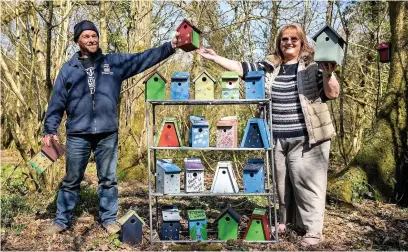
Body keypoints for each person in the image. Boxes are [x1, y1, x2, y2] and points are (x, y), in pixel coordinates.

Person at [197, 24, 339, 246]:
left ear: (302, 43)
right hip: (275, 137)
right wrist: (215, 58)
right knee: (281, 186)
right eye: (284, 39)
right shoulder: (269, 67)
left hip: (307, 138)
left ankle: (313, 230)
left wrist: (329, 73)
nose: (289, 42)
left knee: (309, 186)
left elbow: (332, 93)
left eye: (294, 39)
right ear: (278, 43)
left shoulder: (313, 67)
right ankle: (285, 223)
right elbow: (242, 68)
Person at [42, 20, 179, 235]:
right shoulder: (68, 69)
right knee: (71, 179)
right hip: (78, 134)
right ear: (77, 41)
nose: (91, 39)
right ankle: (61, 220)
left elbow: (142, 58)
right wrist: (49, 130)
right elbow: (57, 102)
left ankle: (108, 219)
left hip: (107, 133)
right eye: (86, 36)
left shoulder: (113, 63)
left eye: (94, 36)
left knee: (108, 180)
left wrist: (170, 46)